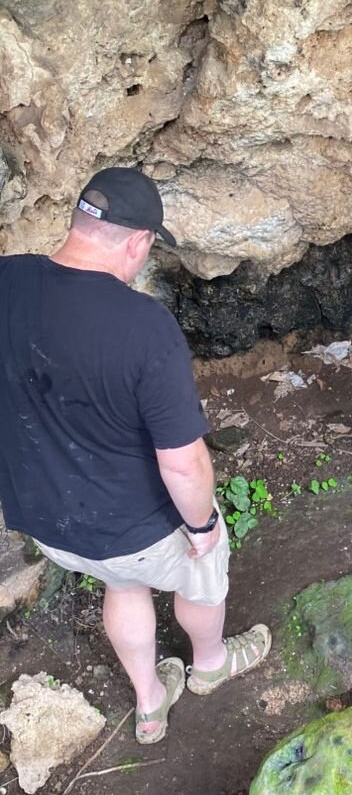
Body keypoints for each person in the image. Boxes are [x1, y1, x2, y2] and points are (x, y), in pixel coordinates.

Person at [0, 167, 271, 744]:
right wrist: (200, 525)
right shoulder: (145, 326)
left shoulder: (7, 281)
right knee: (200, 575)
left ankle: (150, 704)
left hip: (51, 522)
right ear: (139, 242)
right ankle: (210, 666)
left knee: (122, 586)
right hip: (137, 527)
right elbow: (182, 462)